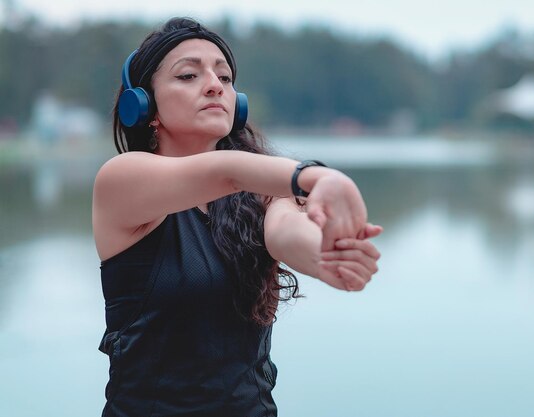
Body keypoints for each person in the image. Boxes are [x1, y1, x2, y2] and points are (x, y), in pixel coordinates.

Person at [92, 17, 382, 417]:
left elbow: (284, 228)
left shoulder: (260, 188)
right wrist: (314, 175)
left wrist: (326, 256)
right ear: (145, 106)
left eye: (225, 77)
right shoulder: (121, 180)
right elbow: (225, 171)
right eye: (189, 74)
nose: (215, 85)